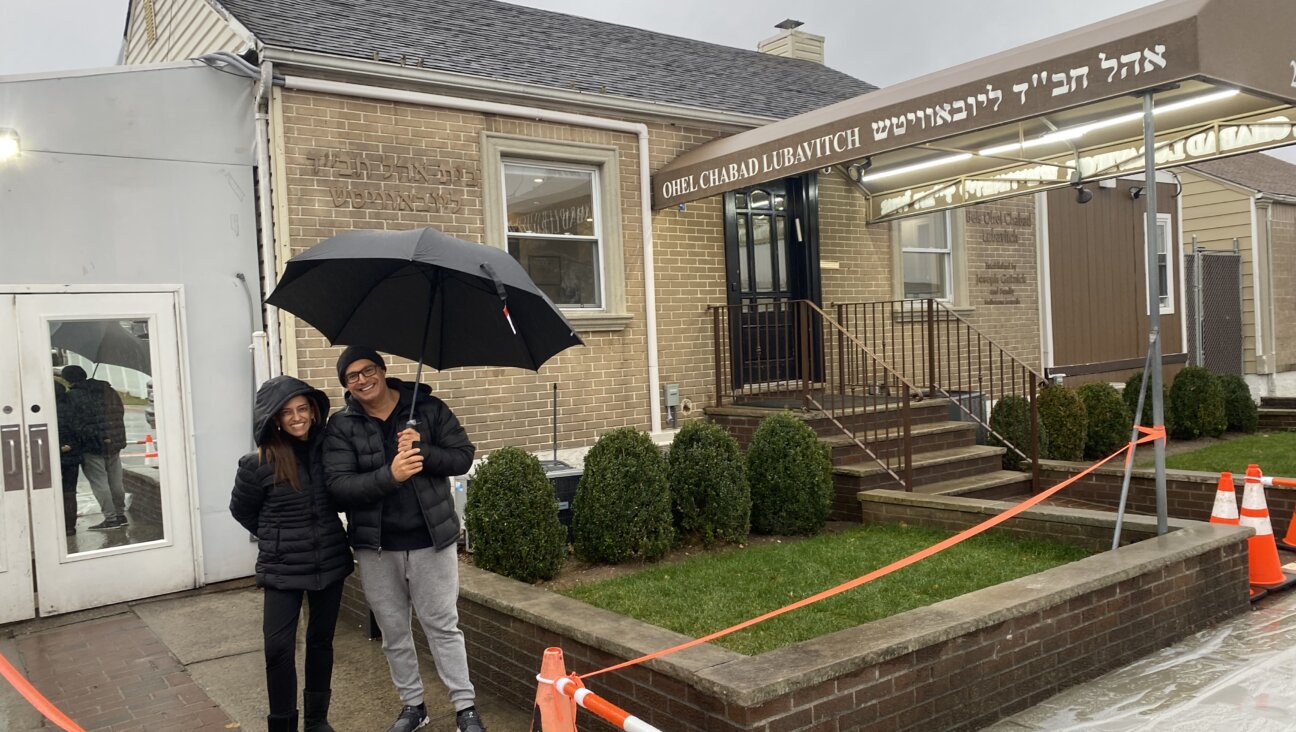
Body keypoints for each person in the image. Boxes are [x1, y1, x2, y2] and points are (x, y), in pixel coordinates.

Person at [321, 346, 485, 732]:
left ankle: (465, 707)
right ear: (346, 384)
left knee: (442, 626)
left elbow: (462, 457)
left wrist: (423, 450)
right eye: (352, 377)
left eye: (367, 371)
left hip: (432, 540)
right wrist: (390, 475)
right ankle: (413, 705)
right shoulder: (342, 425)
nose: (362, 381)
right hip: (377, 547)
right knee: (394, 632)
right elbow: (339, 488)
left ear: (382, 370)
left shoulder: (427, 409)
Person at [230, 376, 353, 732]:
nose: (297, 418)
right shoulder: (257, 464)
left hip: (329, 562)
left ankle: (317, 721)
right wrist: (277, 535)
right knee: (278, 649)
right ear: (274, 419)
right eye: (287, 412)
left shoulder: (327, 452)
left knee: (320, 642)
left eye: (303, 409)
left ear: (313, 412)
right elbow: (243, 511)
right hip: (283, 568)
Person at [62, 365, 128, 530]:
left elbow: (74, 423)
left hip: (91, 446)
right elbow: (119, 412)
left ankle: (111, 519)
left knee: (100, 483)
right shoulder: (108, 390)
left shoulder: (72, 396)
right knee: (116, 481)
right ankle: (121, 514)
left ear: (68, 379)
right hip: (114, 443)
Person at [54, 380, 83, 536]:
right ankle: (69, 526)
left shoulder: (47, 411)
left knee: (52, 491)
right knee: (69, 492)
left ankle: (55, 524)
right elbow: (79, 430)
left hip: (54, 457)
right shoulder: (72, 408)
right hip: (72, 457)